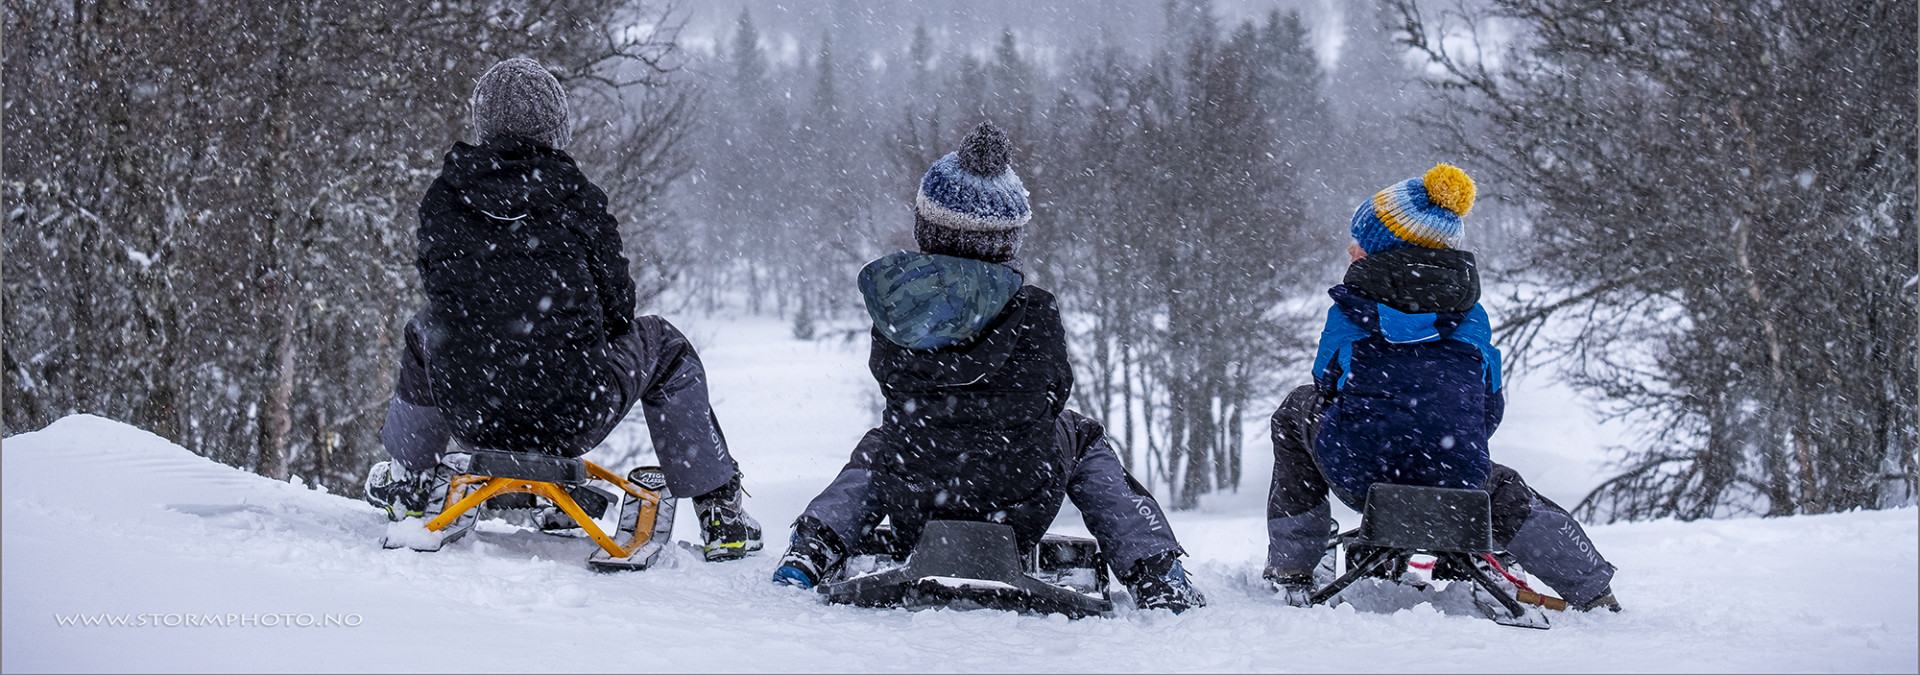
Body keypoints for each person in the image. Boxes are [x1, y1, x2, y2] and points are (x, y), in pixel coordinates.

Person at [362, 58, 761, 562]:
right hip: (572, 411)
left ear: (483, 122)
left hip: (472, 409)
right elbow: (620, 309)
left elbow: (442, 293)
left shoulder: (444, 197)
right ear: (556, 126)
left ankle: (409, 479)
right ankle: (720, 511)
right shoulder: (577, 199)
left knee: (425, 328)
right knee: (667, 345)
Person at [1263, 164, 1620, 612]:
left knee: (1297, 409)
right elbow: (1488, 411)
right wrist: (1437, 439)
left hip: (1362, 475)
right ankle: (1593, 591)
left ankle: (1294, 564)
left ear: (1379, 250)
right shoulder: (1473, 319)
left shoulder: (1351, 312)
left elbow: (1326, 384)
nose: (1350, 248)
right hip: (1458, 485)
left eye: (1360, 240)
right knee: (1506, 490)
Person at [773, 410, 1207, 613]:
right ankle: (1154, 571)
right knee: (1083, 434)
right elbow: (1054, 386)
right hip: (1018, 503)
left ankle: (817, 543)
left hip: (920, 499)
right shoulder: (1032, 309)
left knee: (889, 437)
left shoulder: (908, 309)